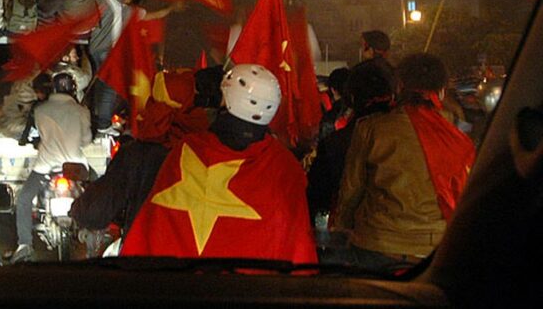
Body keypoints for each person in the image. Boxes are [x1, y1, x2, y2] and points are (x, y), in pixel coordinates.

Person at [120, 64, 317, 264]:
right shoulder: (286, 166)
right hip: (256, 292)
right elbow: (298, 247)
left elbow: (154, 229)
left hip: (181, 290)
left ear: (227, 101)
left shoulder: (188, 150)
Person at [334, 53, 476, 272]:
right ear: (442, 90)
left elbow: (351, 190)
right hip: (435, 249)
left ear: (399, 86)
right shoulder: (458, 133)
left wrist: (342, 228)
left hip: (376, 244)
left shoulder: (372, 128)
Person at [71, 69, 209, 238]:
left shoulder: (135, 155)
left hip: (146, 253)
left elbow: (95, 212)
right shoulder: (208, 151)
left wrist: (79, 209)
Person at [307, 60, 396, 253]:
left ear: (352, 98)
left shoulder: (339, 141)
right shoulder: (419, 134)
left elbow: (318, 197)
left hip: (358, 243)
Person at [11, 70, 93, 263]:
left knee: (23, 199)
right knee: (97, 191)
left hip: (45, 167)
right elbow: (86, 140)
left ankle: (24, 245)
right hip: (75, 167)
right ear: (73, 89)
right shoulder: (82, 111)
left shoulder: (40, 110)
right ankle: (96, 234)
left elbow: (36, 136)